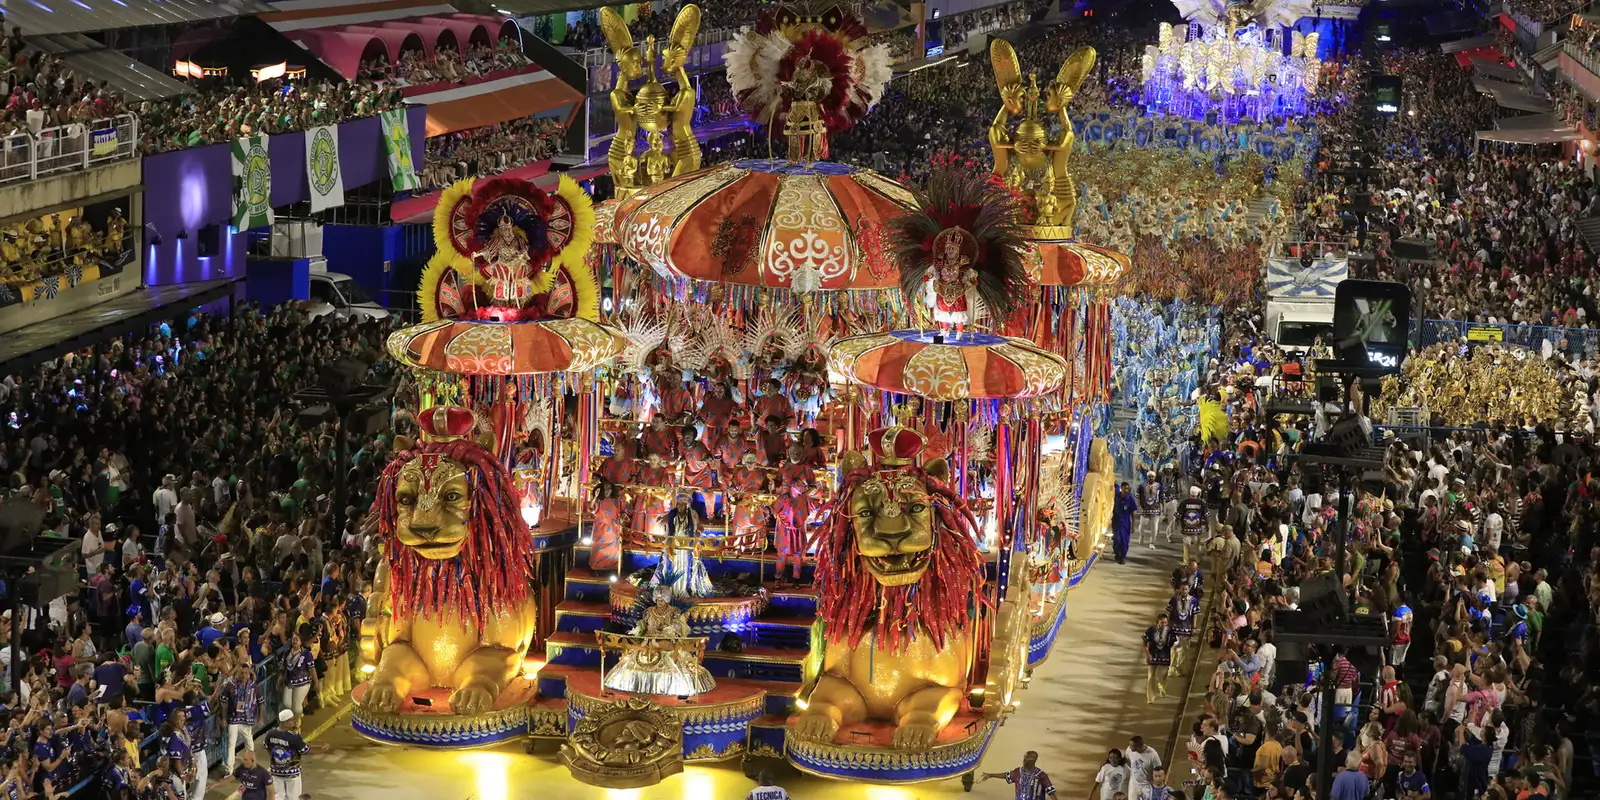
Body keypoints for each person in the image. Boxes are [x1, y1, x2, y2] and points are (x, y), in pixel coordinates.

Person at [266, 708, 320, 800]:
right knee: (294, 797)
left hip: (276, 771)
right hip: (292, 773)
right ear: (285, 722)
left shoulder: (270, 734)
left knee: (279, 796)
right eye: (291, 720)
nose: (294, 721)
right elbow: (305, 751)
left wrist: (275, 761)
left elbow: (267, 747)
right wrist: (321, 750)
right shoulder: (294, 737)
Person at [980, 750, 1057, 799]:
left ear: (1033, 760)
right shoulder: (1018, 771)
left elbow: (1051, 792)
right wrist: (991, 775)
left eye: (1026, 758)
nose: (1024, 759)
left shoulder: (1041, 775)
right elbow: (1006, 775)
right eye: (1024, 757)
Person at [1144, 615, 1173, 703]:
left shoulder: (1170, 631)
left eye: (1165, 622)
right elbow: (1145, 642)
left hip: (1164, 656)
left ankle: (1161, 685)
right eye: (1162, 622)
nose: (1164, 624)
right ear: (1157, 622)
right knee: (1151, 677)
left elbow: (1172, 643)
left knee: (1163, 674)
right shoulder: (1151, 630)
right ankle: (1150, 697)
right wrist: (1148, 655)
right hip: (1153, 656)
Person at [1126, 735, 1163, 799]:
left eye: (1132, 746)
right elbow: (1126, 760)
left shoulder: (1152, 754)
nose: (1129, 747)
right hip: (1134, 785)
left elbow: (1159, 771)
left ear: (1138, 746)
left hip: (1147, 785)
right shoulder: (1129, 750)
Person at [1136, 471, 1162, 548]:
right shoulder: (1141, 485)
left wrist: (1162, 507)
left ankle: (1152, 542)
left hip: (1155, 509)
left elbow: (1161, 497)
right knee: (1142, 525)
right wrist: (1139, 506)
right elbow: (1137, 497)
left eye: (1152, 477)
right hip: (1145, 509)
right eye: (1149, 476)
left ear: (1155, 477)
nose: (1151, 478)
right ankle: (1141, 536)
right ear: (1147, 477)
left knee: (1154, 527)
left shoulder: (1158, 486)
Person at [1113, 482, 1136, 564]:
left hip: (1126, 523)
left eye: (1127, 488)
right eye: (1125, 488)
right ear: (1121, 488)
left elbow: (1133, 513)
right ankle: (1117, 553)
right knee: (1117, 540)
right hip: (1116, 522)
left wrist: (1133, 526)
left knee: (1125, 541)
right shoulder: (1116, 497)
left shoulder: (1130, 499)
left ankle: (1122, 557)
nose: (1126, 490)